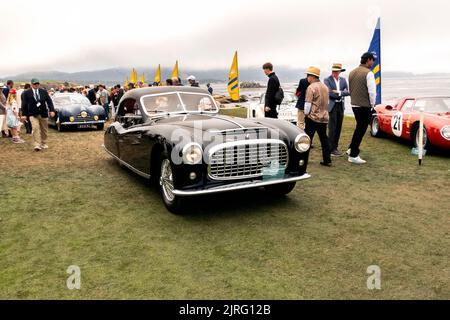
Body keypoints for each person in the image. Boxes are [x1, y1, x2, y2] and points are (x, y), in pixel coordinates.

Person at [347, 52, 377, 164]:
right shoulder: (368, 73)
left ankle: (351, 149)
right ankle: (353, 155)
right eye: (372, 60)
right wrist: (373, 105)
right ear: (368, 60)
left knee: (358, 128)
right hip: (364, 106)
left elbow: (352, 89)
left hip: (354, 104)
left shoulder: (351, 72)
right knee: (361, 130)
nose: (373, 63)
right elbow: (372, 92)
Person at [304, 67, 332, 167]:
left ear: (311, 76)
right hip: (324, 117)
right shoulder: (325, 87)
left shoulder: (311, 87)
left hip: (312, 117)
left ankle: (304, 160)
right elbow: (327, 102)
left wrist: (306, 114)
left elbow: (307, 104)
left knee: (307, 139)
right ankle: (327, 160)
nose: (307, 77)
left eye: (308, 75)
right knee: (324, 139)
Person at [21, 78, 55, 151]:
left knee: (44, 130)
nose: (36, 85)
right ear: (31, 84)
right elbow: (24, 104)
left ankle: (43, 143)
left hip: (43, 113)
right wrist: (24, 114)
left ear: (39, 84)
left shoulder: (43, 92)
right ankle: (37, 144)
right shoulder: (26, 93)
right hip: (33, 114)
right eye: (34, 84)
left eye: (37, 84)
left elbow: (49, 101)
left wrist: (51, 110)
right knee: (35, 128)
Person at [324, 63, 350, 157]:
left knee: (339, 127)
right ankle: (331, 149)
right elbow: (329, 93)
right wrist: (341, 93)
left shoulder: (343, 80)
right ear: (332, 71)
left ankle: (335, 147)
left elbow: (348, 92)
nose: (335, 73)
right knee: (332, 128)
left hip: (340, 105)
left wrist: (339, 92)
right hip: (332, 106)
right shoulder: (327, 80)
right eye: (334, 71)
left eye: (337, 71)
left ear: (340, 71)